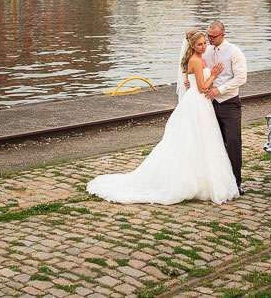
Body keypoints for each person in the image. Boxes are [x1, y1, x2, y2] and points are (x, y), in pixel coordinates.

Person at [85, 30, 239, 204]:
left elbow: (192, 83)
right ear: (192, 46)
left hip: (200, 103)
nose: (204, 46)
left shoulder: (199, 58)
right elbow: (203, 88)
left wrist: (193, 82)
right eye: (200, 44)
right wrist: (213, 75)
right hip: (198, 102)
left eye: (205, 43)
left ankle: (201, 178)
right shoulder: (195, 60)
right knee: (194, 140)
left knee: (201, 140)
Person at [201, 21, 247, 193]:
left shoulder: (234, 52)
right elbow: (200, 69)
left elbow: (241, 78)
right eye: (208, 36)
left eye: (212, 37)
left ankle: (235, 183)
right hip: (209, 103)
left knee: (233, 142)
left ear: (222, 35)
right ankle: (216, 181)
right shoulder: (205, 50)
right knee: (214, 143)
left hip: (229, 103)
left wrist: (218, 90)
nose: (209, 39)